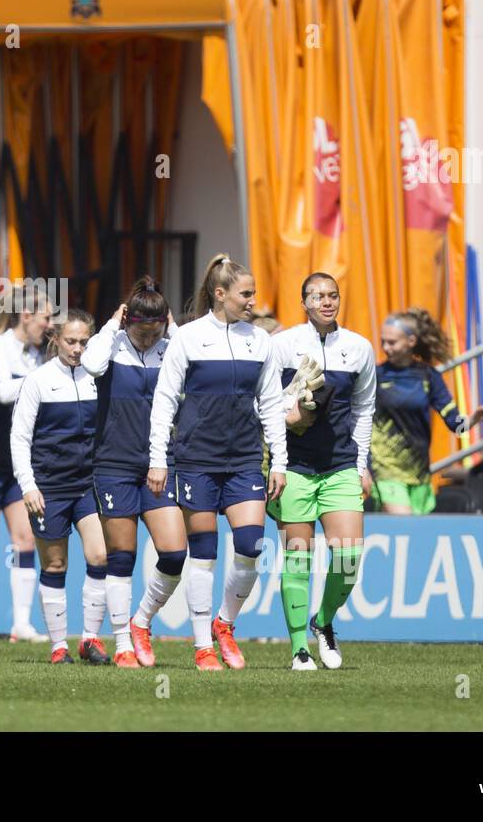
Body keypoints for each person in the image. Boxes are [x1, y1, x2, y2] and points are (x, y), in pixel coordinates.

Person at [149, 254, 288, 671]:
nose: (253, 301)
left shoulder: (261, 341)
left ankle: (224, 624)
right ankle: (202, 646)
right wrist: (159, 458)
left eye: (253, 294)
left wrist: (278, 461)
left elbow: (271, 404)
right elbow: (165, 400)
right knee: (203, 553)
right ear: (220, 293)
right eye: (246, 294)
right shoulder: (188, 338)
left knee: (250, 546)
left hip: (245, 459)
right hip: (196, 460)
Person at [270, 272, 377, 671]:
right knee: (298, 558)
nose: (326, 302)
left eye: (332, 295)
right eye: (317, 296)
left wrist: (361, 463)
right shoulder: (281, 345)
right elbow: (261, 404)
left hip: (340, 464)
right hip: (294, 465)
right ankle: (299, 648)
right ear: (303, 302)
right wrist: (290, 412)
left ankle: (324, 621)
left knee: (349, 557)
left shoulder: (359, 348)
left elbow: (365, 409)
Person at [80, 277, 186, 668]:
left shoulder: (171, 348)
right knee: (121, 557)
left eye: (154, 330)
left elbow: (194, 364)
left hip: (160, 462)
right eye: (140, 329)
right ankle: (123, 642)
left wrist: (172, 329)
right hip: (114, 463)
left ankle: (141, 621)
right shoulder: (111, 346)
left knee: (175, 553)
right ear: (127, 321)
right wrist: (111, 325)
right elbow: (90, 364)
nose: (147, 338)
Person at [12, 308, 111, 665]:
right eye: (71, 341)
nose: (78, 348)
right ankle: (58, 647)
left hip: (89, 485)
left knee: (100, 556)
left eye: (84, 341)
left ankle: (90, 640)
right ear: (55, 339)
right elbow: (19, 438)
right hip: (49, 487)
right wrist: (29, 485)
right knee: (55, 566)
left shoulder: (98, 378)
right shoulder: (37, 381)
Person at [0, 293, 53, 643]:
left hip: (19, 464)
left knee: (25, 538)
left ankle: (21, 623)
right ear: (26, 315)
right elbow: (2, 393)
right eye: (45, 318)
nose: (49, 326)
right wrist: (45, 381)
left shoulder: (38, 356)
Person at [372, 308, 483, 514]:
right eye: (383, 341)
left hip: (419, 473)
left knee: (415, 538)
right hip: (386, 469)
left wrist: (473, 420)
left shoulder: (429, 377)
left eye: (392, 342)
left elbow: (455, 424)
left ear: (411, 341)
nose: (385, 347)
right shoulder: (375, 375)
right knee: (403, 524)